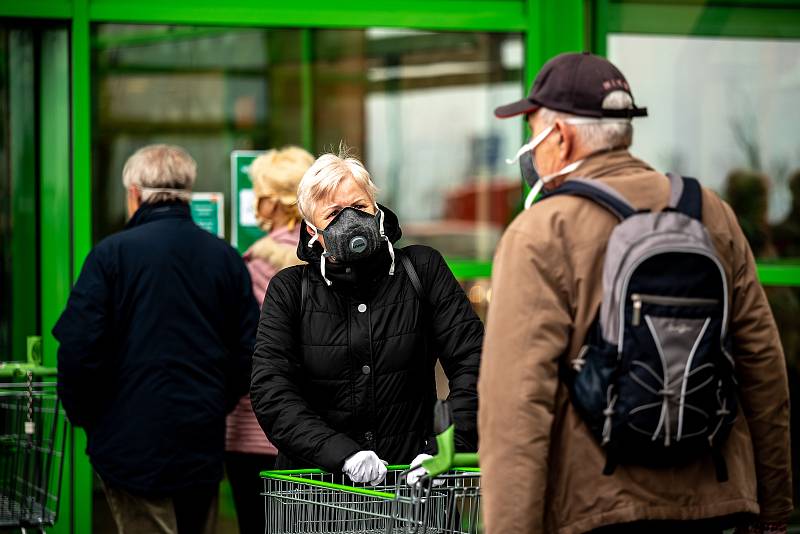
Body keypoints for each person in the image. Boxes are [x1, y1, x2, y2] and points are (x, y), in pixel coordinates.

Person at [479, 52, 792, 533]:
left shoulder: (540, 231)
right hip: (711, 501)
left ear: (559, 137)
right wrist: (773, 513)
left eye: (533, 131)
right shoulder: (711, 212)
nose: (530, 148)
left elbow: (517, 407)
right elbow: (764, 370)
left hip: (593, 509)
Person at [54, 144, 259, 534]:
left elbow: (79, 350)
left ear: (134, 194)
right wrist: (215, 400)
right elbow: (250, 351)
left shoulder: (110, 255)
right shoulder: (224, 258)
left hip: (128, 445)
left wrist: (91, 420)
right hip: (202, 440)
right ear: (188, 193)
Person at [250, 149, 482, 485]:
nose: (351, 222)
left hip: (412, 491)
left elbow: (474, 362)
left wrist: (444, 449)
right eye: (333, 214)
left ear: (377, 211)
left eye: (359, 207)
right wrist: (340, 453)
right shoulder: (289, 290)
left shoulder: (421, 270)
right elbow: (271, 391)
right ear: (312, 231)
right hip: (320, 497)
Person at [224, 146, 311, 534]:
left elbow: (250, 350)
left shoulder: (258, 265)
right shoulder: (330, 259)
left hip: (257, 430)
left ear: (276, 203)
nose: (255, 207)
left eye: (258, 196)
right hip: (319, 431)